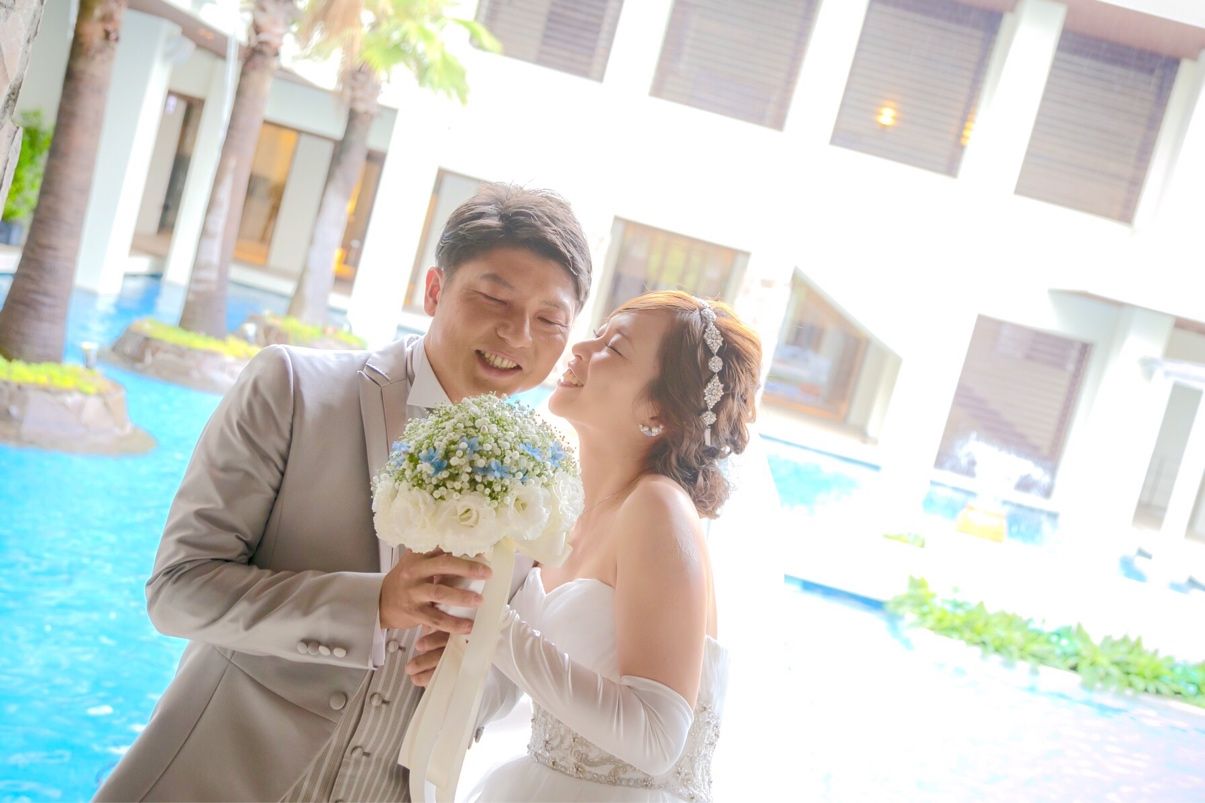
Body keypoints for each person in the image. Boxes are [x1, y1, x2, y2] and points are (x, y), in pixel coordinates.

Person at [93, 184, 593, 802]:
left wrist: (470, 677)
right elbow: (177, 591)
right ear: (434, 291)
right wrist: (372, 605)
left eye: (549, 320)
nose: (517, 334)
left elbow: (501, 677)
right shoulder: (293, 388)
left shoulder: (547, 476)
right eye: (494, 298)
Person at [464, 291, 763, 802]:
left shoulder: (657, 508)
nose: (580, 348)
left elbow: (657, 739)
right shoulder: (566, 503)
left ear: (658, 408)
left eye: (613, 347)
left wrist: (491, 625)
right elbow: (535, 679)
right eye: (597, 334)